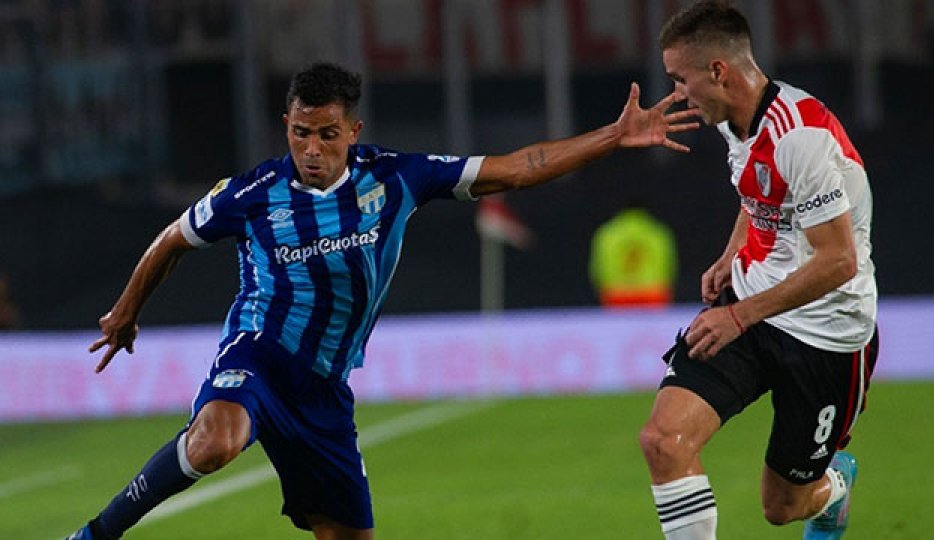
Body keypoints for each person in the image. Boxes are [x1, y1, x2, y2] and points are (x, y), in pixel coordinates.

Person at [67, 62, 699, 540]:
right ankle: (95, 534)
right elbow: (173, 238)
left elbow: (517, 167)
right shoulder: (252, 193)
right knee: (215, 440)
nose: (311, 150)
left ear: (353, 131)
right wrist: (126, 311)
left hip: (324, 390)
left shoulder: (396, 177)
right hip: (259, 355)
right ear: (286, 127)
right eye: (299, 133)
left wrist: (612, 136)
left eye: (327, 135)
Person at [637, 3, 879, 540]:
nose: (677, 93)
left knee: (783, 507)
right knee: (663, 441)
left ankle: (835, 488)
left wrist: (739, 316)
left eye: (680, 78)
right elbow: (758, 191)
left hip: (826, 332)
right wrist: (733, 254)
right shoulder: (735, 120)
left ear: (718, 71)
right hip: (751, 307)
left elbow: (839, 260)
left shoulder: (801, 137)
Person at [589, 206, 678, 307]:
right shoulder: (658, 232)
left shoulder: (607, 233)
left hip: (616, 294)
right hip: (653, 293)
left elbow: (599, 268)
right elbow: (669, 266)